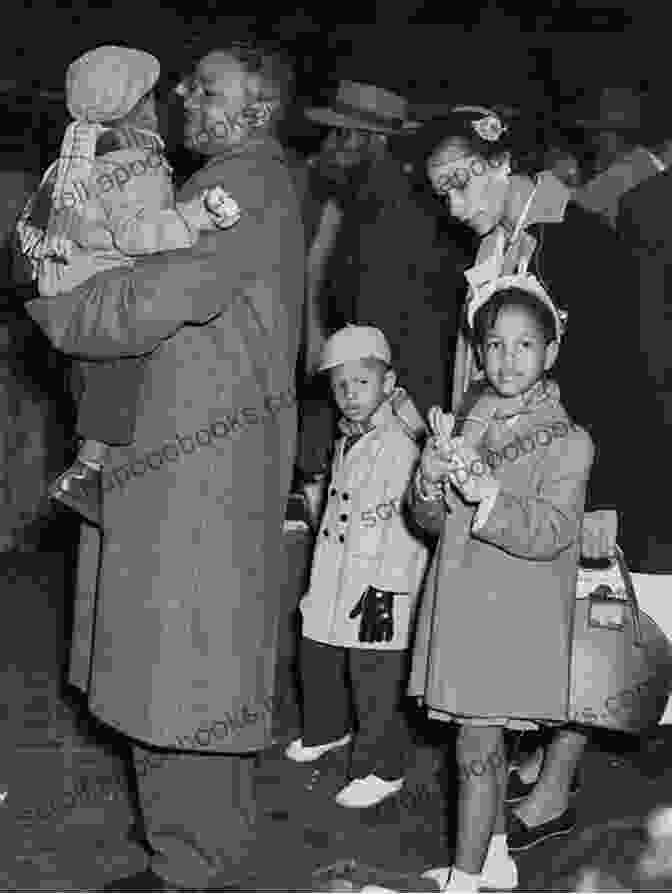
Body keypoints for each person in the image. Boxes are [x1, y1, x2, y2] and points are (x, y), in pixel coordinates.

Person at [22, 41, 304, 892]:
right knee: (182, 671)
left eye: (206, 87)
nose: (185, 92)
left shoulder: (245, 186)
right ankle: (196, 856)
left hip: (200, 475)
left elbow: (157, 298)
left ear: (253, 112)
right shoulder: (225, 183)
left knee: (183, 677)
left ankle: (188, 868)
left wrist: (59, 300)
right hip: (190, 464)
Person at [407, 104, 635, 861]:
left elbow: (614, 373)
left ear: (504, 165)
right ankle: (528, 774)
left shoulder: (577, 238)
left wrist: (608, 497)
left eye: (461, 182)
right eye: (441, 191)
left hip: (575, 472)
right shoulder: (499, 245)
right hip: (501, 470)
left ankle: (555, 787)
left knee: (579, 635)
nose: (453, 203)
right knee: (528, 631)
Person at [365, 274, 594, 893]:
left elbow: (550, 531)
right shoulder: (469, 418)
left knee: (477, 754)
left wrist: (490, 497)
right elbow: (429, 522)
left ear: (550, 353)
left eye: (524, 345)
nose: (507, 359)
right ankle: (495, 863)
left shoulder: (569, 441)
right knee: (478, 748)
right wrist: (431, 479)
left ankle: (463, 884)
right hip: (461, 611)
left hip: (512, 622)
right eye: (493, 344)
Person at [15, 45, 239, 528]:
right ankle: (87, 469)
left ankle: (86, 461)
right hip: (98, 287)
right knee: (129, 350)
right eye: (152, 97)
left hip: (62, 291)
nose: (161, 106)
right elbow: (137, 232)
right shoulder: (133, 157)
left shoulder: (77, 152)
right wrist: (196, 216)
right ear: (134, 103)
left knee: (98, 375)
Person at [296, 80, 469, 487]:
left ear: (368, 140)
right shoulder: (366, 204)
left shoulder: (390, 217)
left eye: (338, 135)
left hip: (392, 420)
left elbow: (385, 332)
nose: (327, 149)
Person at [287, 324, 429, 808]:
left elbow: (411, 522)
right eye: (340, 385)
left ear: (388, 384)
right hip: (336, 570)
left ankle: (382, 766)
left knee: (374, 676)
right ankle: (328, 728)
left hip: (380, 581)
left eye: (361, 383)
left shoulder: (399, 443)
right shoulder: (349, 437)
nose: (349, 395)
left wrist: (385, 589)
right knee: (317, 647)